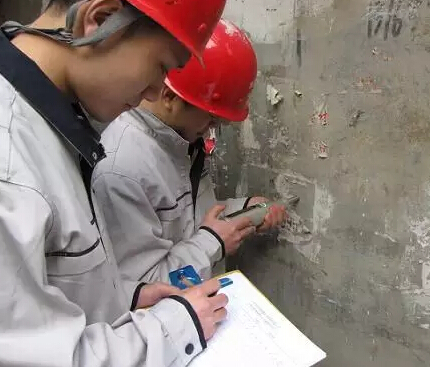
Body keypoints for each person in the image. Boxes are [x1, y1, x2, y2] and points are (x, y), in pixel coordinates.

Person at [0, 0, 233, 366]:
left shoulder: (48, 121)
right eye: (161, 66)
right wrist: (176, 327)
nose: (157, 91)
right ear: (101, 19)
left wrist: (123, 298)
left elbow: (41, 298)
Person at [92, 19, 287, 285]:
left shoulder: (180, 141)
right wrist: (214, 242)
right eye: (211, 118)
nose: (212, 129)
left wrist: (246, 209)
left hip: (200, 303)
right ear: (170, 97)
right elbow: (142, 287)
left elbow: (191, 219)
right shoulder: (121, 170)